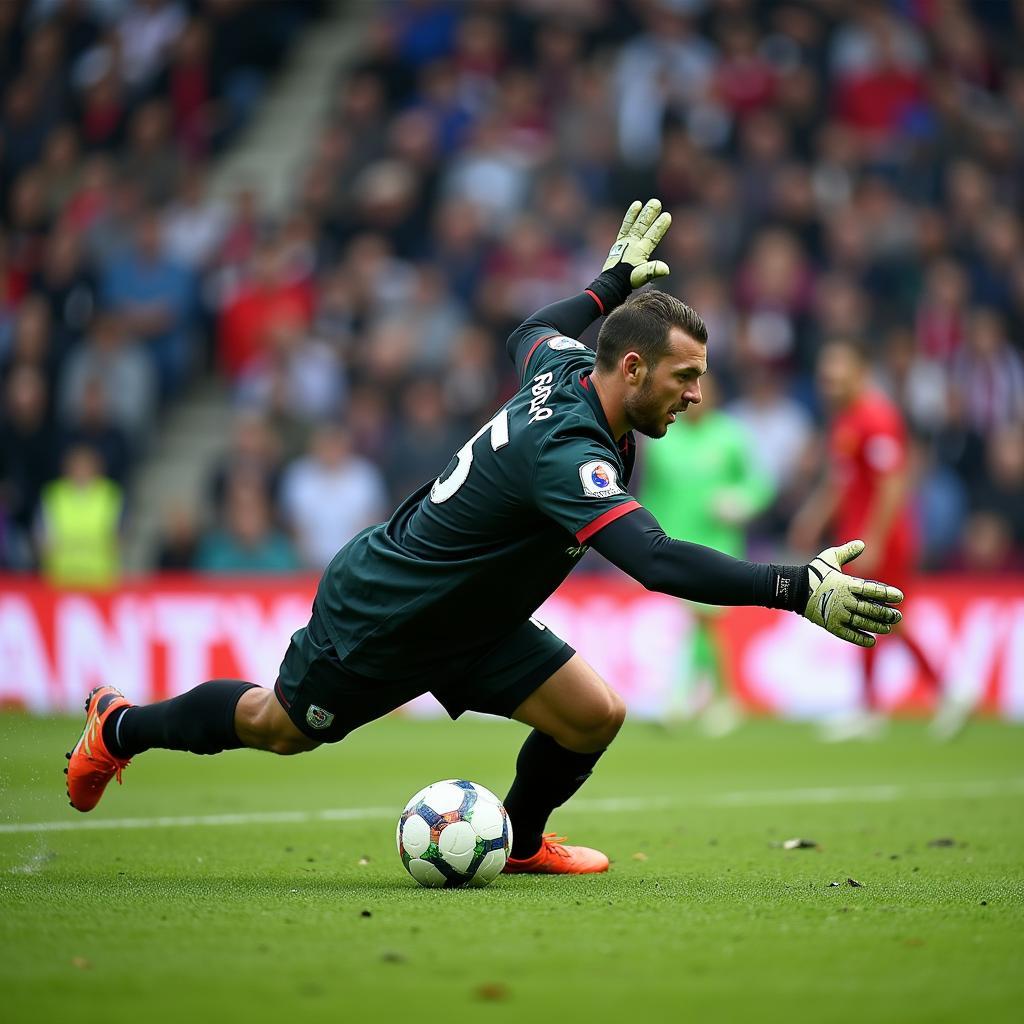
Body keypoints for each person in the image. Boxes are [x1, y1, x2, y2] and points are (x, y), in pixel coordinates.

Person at [65, 200, 903, 876]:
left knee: (593, 715)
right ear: (635, 369)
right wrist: (794, 588)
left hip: (478, 617)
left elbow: (530, 327)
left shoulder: (566, 367)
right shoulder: (568, 450)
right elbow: (652, 560)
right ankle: (118, 726)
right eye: (685, 377)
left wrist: (607, 284)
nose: (694, 395)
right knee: (278, 726)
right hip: (389, 611)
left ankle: (526, 840)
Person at [789, 339, 957, 740]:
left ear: (860, 373)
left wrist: (876, 537)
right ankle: (910, 699)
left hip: (883, 538)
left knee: (878, 616)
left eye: (837, 376)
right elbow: (839, 482)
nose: (829, 384)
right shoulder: (845, 420)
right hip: (859, 537)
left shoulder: (876, 418)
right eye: (825, 378)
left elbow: (893, 483)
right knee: (871, 615)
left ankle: (924, 696)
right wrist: (812, 518)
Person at [639, 376, 774, 734]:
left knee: (706, 618)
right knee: (693, 622)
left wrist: (741, 501)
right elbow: (652, 492)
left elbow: (759, 483)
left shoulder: (730, 435)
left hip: (717, 541)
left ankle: (692, 698)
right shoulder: (663, 438)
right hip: (673, 541)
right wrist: (641, 538)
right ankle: (713, 697)